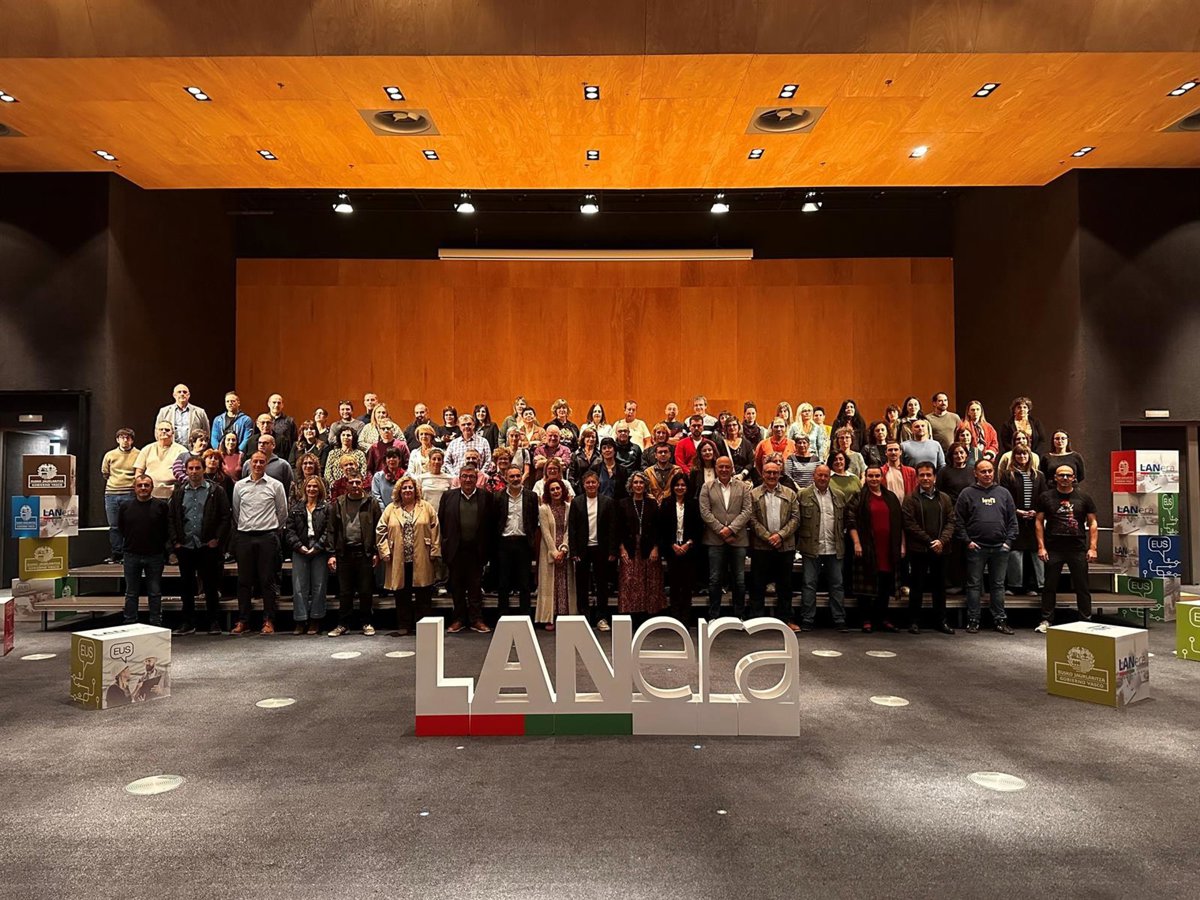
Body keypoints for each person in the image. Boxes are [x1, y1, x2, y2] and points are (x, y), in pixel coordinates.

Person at [168, 455, 231, 636]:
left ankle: (214, 622)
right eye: (191, 468)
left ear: (203, 469)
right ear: (186, 471)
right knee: (186, 587)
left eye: (197, 468)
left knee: (210, 586)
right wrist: (176, 541)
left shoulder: (216, 491)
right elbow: (171, 518)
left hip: (207, 546)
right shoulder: (179, 492)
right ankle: (188, 623)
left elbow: (225, 517)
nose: (194, 472)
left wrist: (217, 539)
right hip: (186, 546)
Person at [955, 459, 1018, 635]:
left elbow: (1013, 521)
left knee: (998, 586)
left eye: (990, 471)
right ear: (975, 473)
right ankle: (973, 620)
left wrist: (1008, 542)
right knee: (974, 585)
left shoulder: (1003, 493)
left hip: (1000, 548)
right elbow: (958, 521)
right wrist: (967, 541)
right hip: (976, 548)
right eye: (983, 471)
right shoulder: (967, 493)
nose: (987, 474)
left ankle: (1000, 620)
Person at [1035, 467, 1099, 634]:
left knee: (1082, 586)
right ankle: (1046, 620)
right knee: (1049, 586)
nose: (1064, 478)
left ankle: (1085, 620)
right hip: (1053, 548)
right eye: (1061, 475)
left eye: (1068, 475)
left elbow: (1093, 523)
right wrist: (1041, 547)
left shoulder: (1084, 497)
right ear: (1055, 477)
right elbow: (1038, 522)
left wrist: (1093, 548)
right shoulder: (1046, 497)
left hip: (1077, 548)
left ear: (1073, 478)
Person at [231, 452, 288, 635]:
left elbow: (282, 512)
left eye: (261, 462)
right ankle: (243, 620)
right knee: (244, 581)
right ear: (249, 464)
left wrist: (271, 528)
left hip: (267, 537)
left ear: (266, 464)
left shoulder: (275, 485)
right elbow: (236, 511)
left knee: (267, 580)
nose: (257, 464)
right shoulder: (239, 486)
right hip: (244, 537)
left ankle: (268, 620)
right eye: (254, 461)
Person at [377, 476, 440, 636]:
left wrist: (435, 550)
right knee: (401, 594)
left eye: (410, 487)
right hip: (398, 558)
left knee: (423, 593)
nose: (407, 490)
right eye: (404, 488)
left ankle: (424, 626)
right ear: (399, 491)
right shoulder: (391, 509)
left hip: (422, 556)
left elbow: (435, 529)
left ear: (415, 490)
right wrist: (384, 551)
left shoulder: (426, 507)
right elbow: (380, 530)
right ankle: (404, 625)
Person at [901, 461, 956, 635]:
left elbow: (951, 521)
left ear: (935, 477)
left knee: (939, 588)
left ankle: (941, 621)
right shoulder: (910, 499)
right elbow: (910, 524)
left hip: (941, 549)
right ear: (917, 478)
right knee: (917, 587)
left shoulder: (944, 498)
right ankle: (913, 622)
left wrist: (941, 541)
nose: (925, 478)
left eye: (929, 475)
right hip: (919, 550)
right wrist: (930, 541)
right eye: (922, 475)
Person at [438, 465, 494, 634]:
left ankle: (476, 619)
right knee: (457, 587)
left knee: (475, 586)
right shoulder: (448, 496)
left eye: (471, 476)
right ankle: (459, 619)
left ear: (476, 479)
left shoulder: (486, 497)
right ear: (459, 478)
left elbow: (490, 524)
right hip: (455, 549)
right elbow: (442, 521)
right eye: (464, 476)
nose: (468, 479)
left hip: (477, 549)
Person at [849, 465, 904, 633]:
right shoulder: (859, 497)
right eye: (870, 476)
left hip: (888, 547)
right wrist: (857, 543)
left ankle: (882, 618)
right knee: (866, 585)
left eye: (877, 476)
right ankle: (866, 620)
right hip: (867, 547)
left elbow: (900, 523)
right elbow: (850, 520)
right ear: (865, 478)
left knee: (885, 585)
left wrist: (902, 545)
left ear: (882, 478)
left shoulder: (891, 497)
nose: (874, 479)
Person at [327, 473, 382, 637]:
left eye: (358, 482)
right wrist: (332, 554)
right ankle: (343, 624)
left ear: (363, 483)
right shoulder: (339, 503)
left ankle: (367, 622)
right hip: (344, 553)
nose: (355, 485)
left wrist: (376, 552)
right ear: (346, 484)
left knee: (365, 590)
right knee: (345, 592)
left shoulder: (371, 503)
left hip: (365, 552)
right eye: (352, 482)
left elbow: (378, 528)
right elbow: (332, 530)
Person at [698, 457, 753, 619]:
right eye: (720, 467)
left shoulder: (743, 487)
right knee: (715, 579)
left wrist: (730, 530)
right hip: (715, 540)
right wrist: (721, 530)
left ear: (732, 468)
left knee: (739, 580)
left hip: (738, 540)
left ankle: (739, 616)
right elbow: (705, 512)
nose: (723, 470)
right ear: (715, 468)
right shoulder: (707, 487)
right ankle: (713, 616)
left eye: (727, 467)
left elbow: (747, 511)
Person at [749, 460, 800, 628]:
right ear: (762, 474)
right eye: (768, 472)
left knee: (785, 585)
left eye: (775, 472)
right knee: (758, 583)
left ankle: (785, 620)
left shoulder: (790, 494)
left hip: (785, 546)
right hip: (761, 546)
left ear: (780, 474)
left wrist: (780, 536)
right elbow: (751, 519)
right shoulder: (753, 494)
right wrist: (768, 537)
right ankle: (756, 620)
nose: (771, 475)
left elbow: (795, 518)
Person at [798, 465, 849, 631]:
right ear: (814, 476)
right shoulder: (803, 495)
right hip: (811, 547)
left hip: (834, 546)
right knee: (809, 584)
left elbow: (845, 521)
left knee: (837, 584)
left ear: (829, 477)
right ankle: (807, 619)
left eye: (826, 476)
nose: (822, 478)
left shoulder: (839, 495)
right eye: (819, 475)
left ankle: (839, 619)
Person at [117, 474, 170, 626]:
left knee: (155, 592)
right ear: (134, 488)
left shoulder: (161, 506)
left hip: (155, 555)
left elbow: (166, 529)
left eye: (146, 485)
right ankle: (130, 621)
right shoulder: (125, 507)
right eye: (140, 485)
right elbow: (121, 528)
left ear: (152, 487)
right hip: (131, 555)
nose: (143, 488)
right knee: (131, 592)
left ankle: (155, 622)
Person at [569, 470, 618, 631]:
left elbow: (612, 528)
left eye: (593, 482)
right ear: (583, 485)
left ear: (598, 484)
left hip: (601, 549)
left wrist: (612, 550)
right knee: (582, 584)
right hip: (582, 549)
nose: (591, 485)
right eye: (588, 482)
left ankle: (601, 618)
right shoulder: (576, 502)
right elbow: (572, 529)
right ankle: (584, 617)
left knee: (602, 585)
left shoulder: (607, 502)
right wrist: (573, 551)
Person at [286, 475, 333, 635]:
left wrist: (318, 546)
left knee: (319, 586)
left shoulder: (326, 508)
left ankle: (315, 620)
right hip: (300, 549)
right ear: (304, 488)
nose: (312, 489)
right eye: (309, 486)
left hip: (320, 550)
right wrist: (299, 546)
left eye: (315, 486)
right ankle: (300, 620)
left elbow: (329, 530)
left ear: (320, 489)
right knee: (299, 587)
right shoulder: (296, 508)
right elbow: (290, 531)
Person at [616, 472, 664, 618]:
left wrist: (655, 548)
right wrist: (621, 548)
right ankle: (631, 614)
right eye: (635, 482)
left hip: (648, 547)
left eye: (641, 482)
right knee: (629, 580)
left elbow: (658, 528)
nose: (638, 485)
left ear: (645, 485)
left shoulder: (652, 503)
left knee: (650, 581)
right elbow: (618, 528)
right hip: (629, 547)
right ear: (631, 485)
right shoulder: (623, 503)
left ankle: (648, 615)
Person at [494, 465, 539, 618]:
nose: (515, 479)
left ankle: (525, 615)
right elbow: (495, 520)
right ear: (506, 478)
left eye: (518, 476)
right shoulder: (498, 496)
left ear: (522, 477)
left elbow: (533, 519)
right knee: (503, 581)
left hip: (523, 542)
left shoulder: (531, 496)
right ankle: (503, 615)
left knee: (524, 582)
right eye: (512, 476)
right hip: (504, 542)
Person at [1002, 446, 1047, 597]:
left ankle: (1034, 586)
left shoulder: (1039, 475)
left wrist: (1037, 511)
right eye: (1018, 454)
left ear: (1029, 456)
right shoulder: (1008, 475)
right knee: (1015, 553)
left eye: (1025, 454)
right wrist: (1017, 511)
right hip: (1015, 519)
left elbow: (1044, 497)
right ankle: (1014, 586)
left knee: (1033, 553)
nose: (1022, 456)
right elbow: (1005, 497)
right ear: (1014, 456)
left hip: (1034, 520)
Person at [658, 471, 702, 624]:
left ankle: (686, 618)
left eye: (683, 485)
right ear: (673, 487)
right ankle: (675, 617)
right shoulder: (666, 503)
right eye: (677, 485)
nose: (680, 487)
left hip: (689, 549)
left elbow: (698, 528)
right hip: (672, 549)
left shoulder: (694, 504)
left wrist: (688, 544)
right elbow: (662, 528)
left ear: (687, 487)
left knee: (687, 584)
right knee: (675, 584)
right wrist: (673, 545)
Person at [535, 479, 575, 630]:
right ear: (548, 492)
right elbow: (545, 532)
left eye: (558, 488)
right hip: (548, 549)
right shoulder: (543, 509)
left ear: (563, 490)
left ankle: (564, 616)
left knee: (564, 583)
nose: (556, 491)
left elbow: (569, 530)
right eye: (552, 489)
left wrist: (563, 549)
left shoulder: (569, 507)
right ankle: (549, 617)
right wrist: (554, 551)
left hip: (565, 550)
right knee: (549, 585)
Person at [101, 427, 139, 564]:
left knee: (129, 525)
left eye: (128, 438)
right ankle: (117, 553)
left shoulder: (139, 454)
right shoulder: (110, 455)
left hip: (130, 492)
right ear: (117, 439)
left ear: (132, 440)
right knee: (114, 526)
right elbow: (105, 473)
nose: (125, 440)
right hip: (111, 493)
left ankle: (128, 553)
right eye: (122, 437)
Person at [135, 421, 187, 499]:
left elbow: (187, 473)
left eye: (167, 430)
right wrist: (142, 488)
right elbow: (139, 472)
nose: (164, 431)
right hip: (150, 494)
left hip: (174, 494)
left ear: (173, 432)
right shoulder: (147, 449)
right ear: (156, 432)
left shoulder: (182, 450)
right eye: (161, 429)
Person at [155, 383, 210, 447]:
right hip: (171, 449)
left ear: (188, 395)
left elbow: (206, 433)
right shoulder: (164, 411)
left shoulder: (200, 412)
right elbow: (157, 432)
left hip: (192, 449)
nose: (182, 394)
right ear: (174, 395)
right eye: (179, 392)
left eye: (184, 392)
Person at [267, 393, 298, 462]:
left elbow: (294, 441)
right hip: (265, 457)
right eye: (274, 402)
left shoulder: (289, 421)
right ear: (269, 404)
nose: (276, 405)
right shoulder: (263, 420)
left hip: (284, 457)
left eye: (279, 403)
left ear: (282, 405)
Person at [723, 418, 755, 483]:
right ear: (726, 428)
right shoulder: (721, 444)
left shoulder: (746, 443)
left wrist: (742, 475)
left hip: (745, 479)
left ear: (739, 427)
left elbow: (751, 462)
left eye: (734, 425)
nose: (732, 427)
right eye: (729, 425)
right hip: (727, 480)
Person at [569, 427, 601, 491]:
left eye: (593, 437)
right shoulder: (575, 455)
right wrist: (574, 487)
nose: (591, 439)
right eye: (588, 437)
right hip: (579, 489)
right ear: (583, 438)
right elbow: (571, 475)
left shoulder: (600, 455)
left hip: (596, 489)